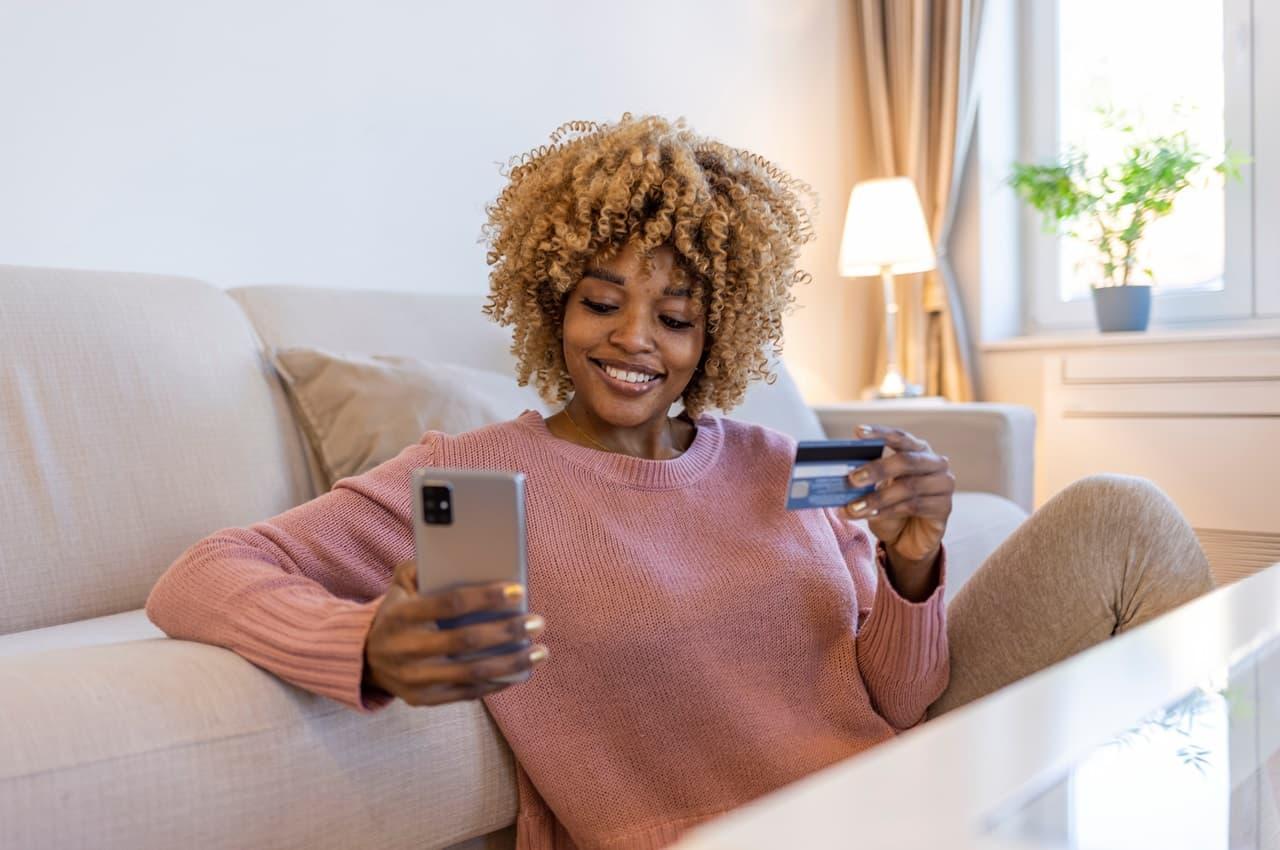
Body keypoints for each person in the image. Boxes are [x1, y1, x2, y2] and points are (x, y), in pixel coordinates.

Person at [145, 113, 1216, 850]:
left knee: (1121, 515)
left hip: (897, 800)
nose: (631, 341)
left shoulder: (781, 467)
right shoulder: (471, 475)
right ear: (549, 302)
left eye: (673, 315)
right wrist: (360, 642)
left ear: (716, 334)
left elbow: (896, 700)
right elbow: (201, 573)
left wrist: (912, 562)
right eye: (600, 301)